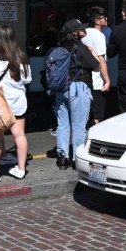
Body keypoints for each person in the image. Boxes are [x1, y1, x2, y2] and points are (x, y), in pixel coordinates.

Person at [0, 25, 32, 182]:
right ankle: (21, 169)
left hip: (0, 104)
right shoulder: (21, 56)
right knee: (20, 135)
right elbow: (27, 79)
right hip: (19, 103)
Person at [52, 19, 100, 169]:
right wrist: (93, 53)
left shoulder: (58, 49)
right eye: (80, 29)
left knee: (62, 124)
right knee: (79, 126)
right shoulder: (81, 48)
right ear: (75, 33)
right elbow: (97, 66)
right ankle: (77, 159)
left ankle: (62, 157)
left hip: (60, 88)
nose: (83, 31)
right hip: (78, 87)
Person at [82, 7, 110, 125]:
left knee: (89, 115)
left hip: (85, 79)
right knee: (98, 116)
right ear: (97, 21)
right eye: (104, 17)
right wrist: (107, 80)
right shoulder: (99, 35)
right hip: (97, 80)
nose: (106, 19)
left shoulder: (84, 33)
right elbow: (101, 59)